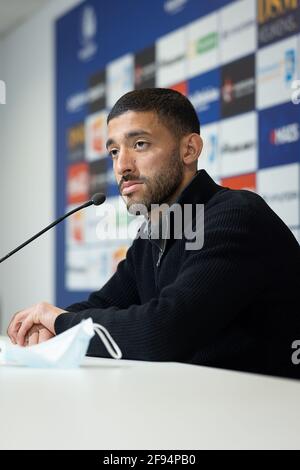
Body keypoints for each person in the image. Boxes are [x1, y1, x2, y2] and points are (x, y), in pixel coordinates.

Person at [7, 88, 300, 378]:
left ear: (189, 149)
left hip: (275, 411)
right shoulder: (154, 234)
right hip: (206, 407)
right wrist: (44, 326)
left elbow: (164, 331)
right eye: (114, 151)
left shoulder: (236, 215)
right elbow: (103, 304)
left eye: (140, 144)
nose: (122, 166)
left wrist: (62, 323)